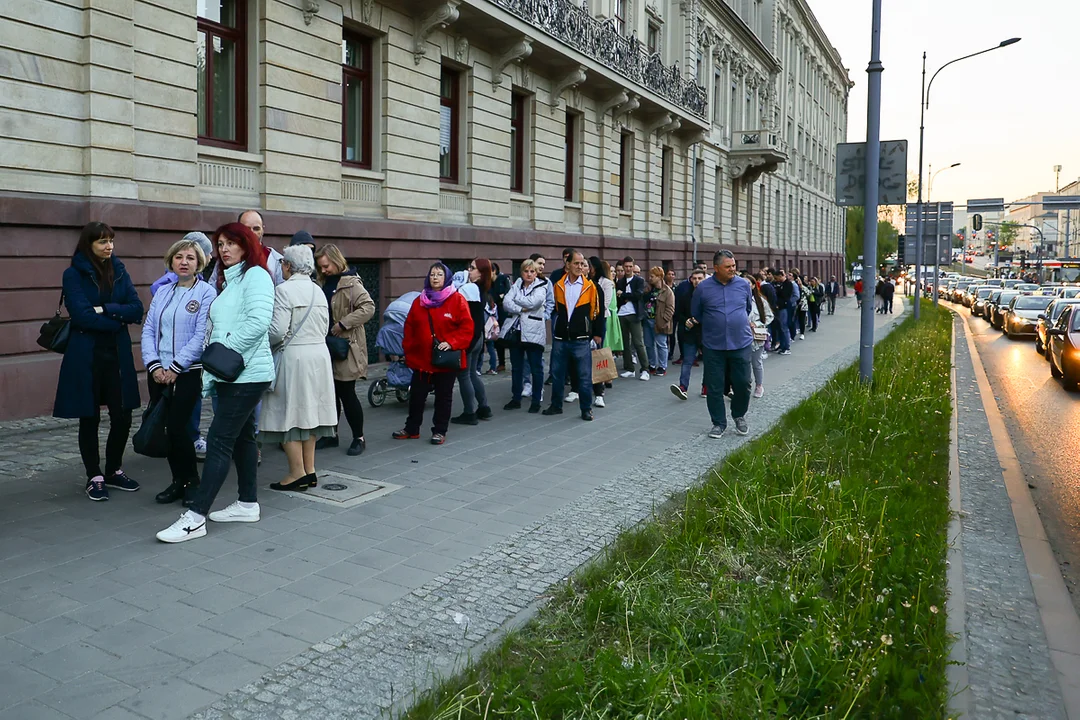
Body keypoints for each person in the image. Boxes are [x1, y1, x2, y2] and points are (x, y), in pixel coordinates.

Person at [156, 222, 275, 543]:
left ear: (246, 245)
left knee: (219, 440)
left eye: (231, 243)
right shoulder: (230, 280)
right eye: (220, 244)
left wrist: (224, 352)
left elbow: (259, 321)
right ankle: (248, 503)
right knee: (243, 438)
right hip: (232, 372)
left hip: (246, 372)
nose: (223, 249)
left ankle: (195, 516)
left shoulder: (256, 276)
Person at [54, 222, 144, 502]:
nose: (109, 246)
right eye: (102, 242)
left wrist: (105, 309)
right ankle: (94, 475)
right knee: (89, 416)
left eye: (111, 241)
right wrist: (117, 319)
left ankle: (114, 469)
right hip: (86, 355)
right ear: (88, 244)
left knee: (123, 413)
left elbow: (137, 308)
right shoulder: (73, 274)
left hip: (117, 355)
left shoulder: (119, 270)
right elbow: (81, 316)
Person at [141, 236, 217, 505]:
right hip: (158, 372)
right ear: (170, 261)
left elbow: (201, 336)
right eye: (179, 257)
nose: (184, 262)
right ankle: (177, 481)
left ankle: (192, 482)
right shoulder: (163, 292)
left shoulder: (206, 292)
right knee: (166, 429)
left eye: (190, 258)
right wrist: (153, 365)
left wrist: (176, 367)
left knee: (178, 428)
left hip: (187, 372)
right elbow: (149, 330)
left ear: (199, 263)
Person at [260, 245, 338, 490]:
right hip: (318, 356)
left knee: (290, 414)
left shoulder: (283, 291)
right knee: (310, 413)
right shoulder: (317, 290)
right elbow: (325, 326)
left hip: (294, 358)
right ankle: (309, 470)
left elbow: (277, 331)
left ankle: (296, 472)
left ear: (287, 266)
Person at [396, 263, 473, 445]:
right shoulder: (419, 301)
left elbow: (467, 328)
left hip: (444, 360)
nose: (435, 278)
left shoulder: (457, 300)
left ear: (446, 277)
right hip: (422, 359)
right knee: (416, 396)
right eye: (432, 274)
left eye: (439, 274)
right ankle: (412, 428)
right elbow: (410, 327)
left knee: (443, 397)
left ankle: (439, 430)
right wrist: (409, 349)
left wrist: (452, 343)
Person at [315, 244, 376, 456]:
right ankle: (331, 435)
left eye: (326, 266)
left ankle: (359, 437)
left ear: (336, 260)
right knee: (330, 394)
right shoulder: (322, 281)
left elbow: (369, 308)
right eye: (320, 267)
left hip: (346, 347)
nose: (323, 270)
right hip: (326, 346)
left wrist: (343, 324)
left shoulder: (351, 283)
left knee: (347, 393)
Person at [692, 250, 754, 438]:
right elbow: (697, 312)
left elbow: (748, 308)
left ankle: (739, 415)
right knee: (715, 386)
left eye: (734, 265)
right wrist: (716, 323)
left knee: (743, 383)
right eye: (728, 267)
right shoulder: (703, 288)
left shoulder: (743, 285)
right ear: (716, 268)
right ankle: (718, 423)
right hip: (714, 345)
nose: (732, 269)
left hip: (740, 343)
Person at [542, 250, 603, 421]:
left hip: (581, 339)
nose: (579, 266)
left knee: (584, 376)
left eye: (582, 263)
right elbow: (556, 309)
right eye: (576, 263)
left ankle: (586, 409)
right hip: (561, 338)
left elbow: (595, 313)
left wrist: (594, 333)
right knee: (557, 374)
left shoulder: (590, 287)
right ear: (567, 265)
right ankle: (556, 405)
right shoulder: (559, 285)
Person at [501, 259, 549, 412]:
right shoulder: (517, 285)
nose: (529, 274)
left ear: (536, 273)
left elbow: (535, 302)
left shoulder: (541, 285)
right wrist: (521, 309)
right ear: (521, 272)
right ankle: (516, 398)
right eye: (526, 271)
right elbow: (506, 302)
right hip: (517, 332)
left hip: (534, 332)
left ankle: (536, 401)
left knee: (536, 368)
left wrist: (517, 301)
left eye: (532, 271)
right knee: (516, 367)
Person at [452, 257, 494, 426]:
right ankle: (484, 408)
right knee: (471, 375)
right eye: (469, 267)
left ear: (481, 273)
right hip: (477, 337)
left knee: (464, 376)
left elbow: (468, 317)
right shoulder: (480, 288)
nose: (469, 270)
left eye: (473, 268)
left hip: (469, 338)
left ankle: (469, 412)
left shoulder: (469, 288)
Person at [670, 268, 706, 400]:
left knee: (708, 362)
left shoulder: (709, 295)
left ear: (704, 279)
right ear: (691, 279)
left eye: (699, 278)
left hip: (706, 334)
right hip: (690, 333)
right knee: (687, 361)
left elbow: (712, 313)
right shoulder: (685, 295)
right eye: (694, 278)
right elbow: (678, 313)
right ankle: (683, 387)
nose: (697, 281)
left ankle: (705, 387)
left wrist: (698, 319)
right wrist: (686, 321)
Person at [589, 256, 617, 408]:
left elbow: (604, 304)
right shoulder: (586, 281)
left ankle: (600, 388)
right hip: (586, 322)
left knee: (597, 353)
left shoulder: (606, 283)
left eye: (590, 266)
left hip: (600, 319)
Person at [616, 257, 650, 380]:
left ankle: (645, 369)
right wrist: (624, 296)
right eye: (626, 266)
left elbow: (638, 295)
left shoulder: (639, 280)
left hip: (634, 314)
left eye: (630, 266)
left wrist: (624, 295)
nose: (628, 269)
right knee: (624, 343)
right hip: (621, 314)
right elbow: (618, 297)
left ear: (633, 267)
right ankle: (629, 368)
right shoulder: (620, 281)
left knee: (638, 342)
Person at [642, 267, 674, 377]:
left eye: (652, 276)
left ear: (659, 277)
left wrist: (664, 320)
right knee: (649, 344)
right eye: (649, 276)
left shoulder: (667, 291)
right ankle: (652, 365)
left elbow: (670, 308)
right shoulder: (648, 289)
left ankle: (662, 366)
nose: (650, 278)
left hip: (659, 322)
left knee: (661, 344)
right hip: (647, 320)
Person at [749, 277, 774, 398]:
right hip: (740, 336)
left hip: (756, 336)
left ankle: (759, 385)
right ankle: (743, 386)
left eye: (748, 284)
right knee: (742, 363)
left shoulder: (759, 300)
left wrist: (757, 323)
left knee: (756, 362)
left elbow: (769, 316)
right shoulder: (736, 299)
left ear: (754, 285)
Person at [770, 268, 793, 355]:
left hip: (784, 307)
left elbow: (785, 295)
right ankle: (782, 345)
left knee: (784, 327)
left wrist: (778, 290)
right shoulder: (778, 284)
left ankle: (787, 347)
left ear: (780, 276)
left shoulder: (788, 284)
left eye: (776, 278)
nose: (776, 280)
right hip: (779, 308)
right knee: (779, 328)